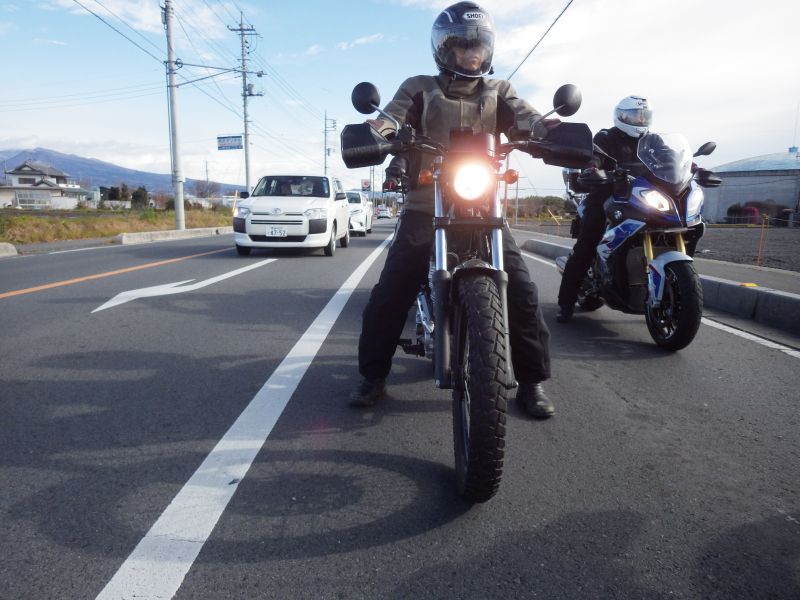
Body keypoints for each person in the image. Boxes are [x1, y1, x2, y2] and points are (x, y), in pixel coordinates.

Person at [349, 1, 555, 419]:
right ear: (444, 49)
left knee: (521, 287)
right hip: (427, 203)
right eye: (462, 46)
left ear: (489, 49)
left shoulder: (499, 91)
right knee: (394, 286)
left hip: (483, 204)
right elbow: (389, 121)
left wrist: (552, 133)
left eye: (478, 46)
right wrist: (378, 134)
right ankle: (373, 375)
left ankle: (532, 381)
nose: (471, 54)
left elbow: (531, 120)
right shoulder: (420, 88)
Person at [555, 95, 653, 323]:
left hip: (640, 199)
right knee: (586, 246)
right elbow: (595, 156)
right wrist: (592, 167)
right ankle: (566, 304)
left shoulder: (651, 141)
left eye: (644, 116)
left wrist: (690, 166)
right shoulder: (606, 137)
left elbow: (666, 159)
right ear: (622, 116)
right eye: (635, 116)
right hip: (606, 197)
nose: (639, 120)